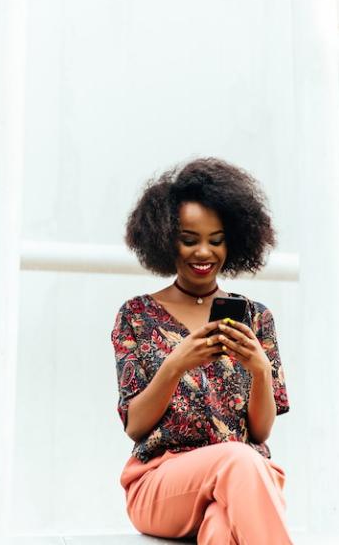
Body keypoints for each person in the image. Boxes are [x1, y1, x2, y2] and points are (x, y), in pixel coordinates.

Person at [111, 157, 292, 544]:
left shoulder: (256, 319)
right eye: (189, 239)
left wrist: (260, 370)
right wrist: (176, 364)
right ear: (164, 239)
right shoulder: (137, 316)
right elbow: (135, 426)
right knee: (238, 459)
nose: (203, 252)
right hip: (161, 483)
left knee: (221, 526)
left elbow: (259, 431)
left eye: (216, 239)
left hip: (244, 479)